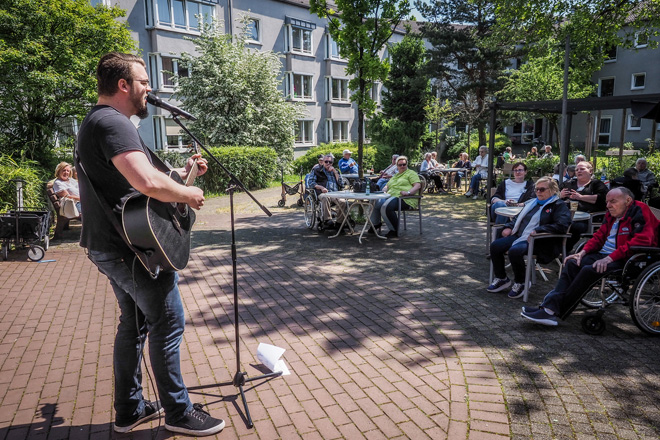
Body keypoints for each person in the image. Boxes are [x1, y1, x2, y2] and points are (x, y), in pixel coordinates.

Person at [76, 52, 225, 436]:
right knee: (169, 321)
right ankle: (178, 412)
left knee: (136, 324)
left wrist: (186, 175)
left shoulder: (99, 122)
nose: (149, 88)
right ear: (123, 85)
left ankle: (129, 410)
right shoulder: (113, 122)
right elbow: (148, 184)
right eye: (143, 81)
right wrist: (189, 192)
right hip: (130, 250)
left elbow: (137, 192)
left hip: (115, 244)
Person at [521, 187, 659, 326]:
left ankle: (553, 311)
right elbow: (599, 236)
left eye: (613, 201)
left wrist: (609, 258)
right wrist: (582, 252)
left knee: (589, 270)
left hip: (628, 259)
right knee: (572, 263)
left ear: (628, 200)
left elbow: (641, 241)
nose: (608, 205)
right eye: (607, 202)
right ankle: (548, 308)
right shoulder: (612, 213)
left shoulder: (640, 210)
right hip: (604, 255)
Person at [487, 177, 571, 299]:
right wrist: (509, 226)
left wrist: (538, 230)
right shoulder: (532, 203)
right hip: (520, 236)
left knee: (515, 251)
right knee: (495, 246)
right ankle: (502, 278)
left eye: (542, 189)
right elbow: (517, 218)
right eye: (536, 189)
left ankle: (521, 282)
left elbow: (562, 225)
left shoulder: (558, 205)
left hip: (540, 240)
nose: (538, 192)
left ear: (553, 190)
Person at [559, 161, 609, 252]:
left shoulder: (596, 184)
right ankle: (554, 248)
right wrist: (560, 195)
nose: (578, 171)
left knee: (575, 226)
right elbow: (554, 196)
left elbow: (603, 199)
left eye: (582, 169)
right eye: (577, 170)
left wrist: (581, 197)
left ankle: (564, 250)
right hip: (567, 215)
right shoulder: (569, 183)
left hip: (588, 218)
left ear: (590, 171)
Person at [369, 156, 421, 238]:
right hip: (390, 196)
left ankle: (394, 229)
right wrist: (384, 189)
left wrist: (408, 192)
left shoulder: (411, 173)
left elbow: (417, 185)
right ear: (397, 166)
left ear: (407, 164)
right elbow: (387, 185)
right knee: (375, 201)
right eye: (400, 165)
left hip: (405, 199)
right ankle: (375, 224)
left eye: (404, 164)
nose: (402, 166)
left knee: (386, 206)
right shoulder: (396, 175)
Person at [308, 154, 347, 229]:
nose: (328, 163)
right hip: (323, 193)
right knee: (326, 198)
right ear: (323, 162)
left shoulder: (336, 171)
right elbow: (311, 182)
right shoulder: (317, 170)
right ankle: (328, 220)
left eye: (330, 162)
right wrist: (321, 187)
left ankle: (339, 223)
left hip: (335, 193)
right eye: (326, 161)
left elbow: (341, 184)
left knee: (343, 202)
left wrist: (335, 172)